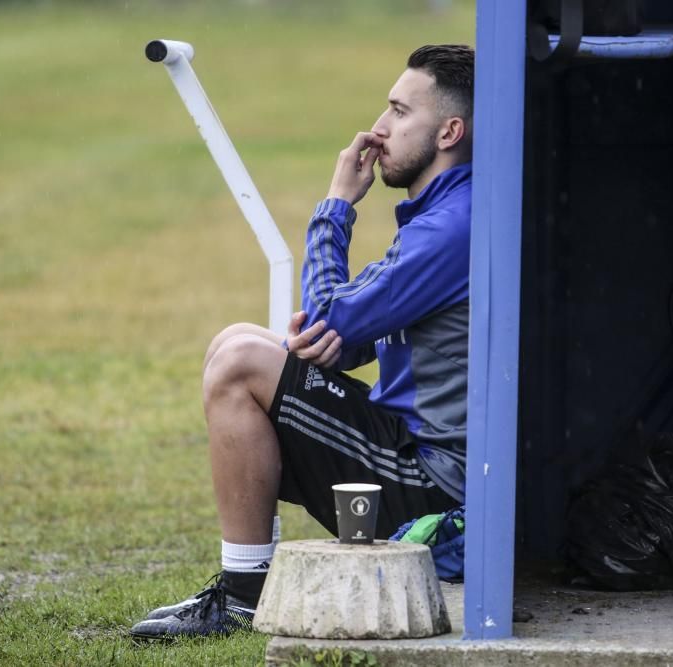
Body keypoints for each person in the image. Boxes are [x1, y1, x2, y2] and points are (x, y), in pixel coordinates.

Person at [129, 43, 475, 640]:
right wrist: (343, 340)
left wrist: (336, 207)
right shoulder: (451, 212)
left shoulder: (453, 225)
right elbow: (365, 328)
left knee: (240, 363)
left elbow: (325, 315)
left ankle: (243, 597)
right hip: (425, 461)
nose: (378, 129)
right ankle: (243, 586)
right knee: (240, 341)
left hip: (439, 497)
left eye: (398, 112)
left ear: (449, 131)